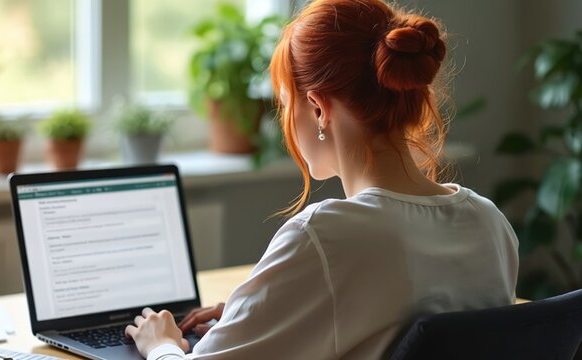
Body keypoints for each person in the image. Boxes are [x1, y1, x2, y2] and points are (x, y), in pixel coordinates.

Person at [124, 0, 519, 358]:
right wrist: (266, 312)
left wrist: (160, 345)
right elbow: (403, 314)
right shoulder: (490, 224)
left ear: (317, 109)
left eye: (284, 104)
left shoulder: (324, 237)